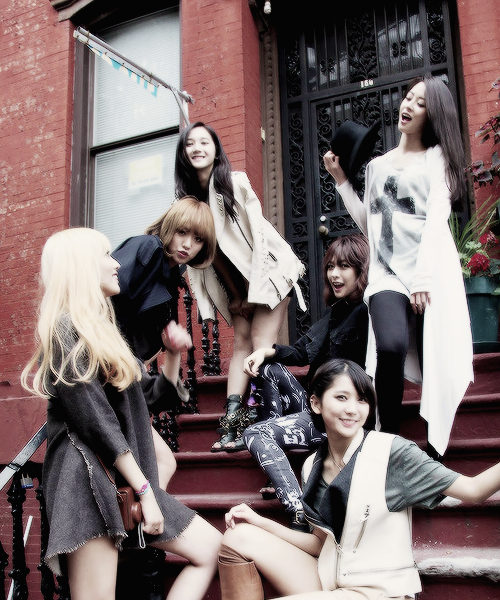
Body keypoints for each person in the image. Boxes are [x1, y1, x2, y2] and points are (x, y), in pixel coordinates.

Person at [21, 228, 222, 600]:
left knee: (211, 549)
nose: (117, 264)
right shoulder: (66, 329)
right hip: (86, 480)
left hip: (119, 478)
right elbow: (97, 422)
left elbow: (152, 399)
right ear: (82, 266)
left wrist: (172, 354)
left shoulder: (104, 331)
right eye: (106, 255)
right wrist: (145, 492)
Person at [218, 358, 500, 600]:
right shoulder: (311, 466)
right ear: (315, 403)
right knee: (238, 536)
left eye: (362, 399)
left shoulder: (391, 452)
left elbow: (473, 489)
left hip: (378, 591)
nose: (353, 409)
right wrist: (261, 522)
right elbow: (320, 544)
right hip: (330, 582)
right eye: (342, 397)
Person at [323, 74, 473, 457]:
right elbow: (370, 225)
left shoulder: (437, 160)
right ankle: (386, 443)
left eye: (421, 103)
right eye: (408, 97)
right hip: (387, 273)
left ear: (433, 116)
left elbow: (437, 217)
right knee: (390, 347)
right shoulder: (376, 166)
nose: (409, 106)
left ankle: (434, 455)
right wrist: (342, 182)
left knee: (435, 358)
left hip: (429, 272)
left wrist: (423, 277)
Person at [175, 122, 306, 452]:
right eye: (190, 143)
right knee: (241, 347)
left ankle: (267, 424)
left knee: (260, 347)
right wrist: (236, 296)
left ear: (216, 150)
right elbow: (212, 255)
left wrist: (254, 290)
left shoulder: (234, 184)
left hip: (270, 273)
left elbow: (256, 239)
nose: (197, 148)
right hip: (242, 286)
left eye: (205, 142)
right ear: (183, 153)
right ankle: (231, 426)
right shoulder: (191, 202)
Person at [241, 234, 369, 528]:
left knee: (255, 434)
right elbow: (301, 352)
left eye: (344, 267)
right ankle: (278, 459)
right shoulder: (336, 312)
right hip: (314, 404)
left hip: (333, 417)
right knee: (269, 369)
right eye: (331, 266)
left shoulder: (366, 312)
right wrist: (264, 352)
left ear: (360, 271)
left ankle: (301, 511)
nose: (334, 274)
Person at [111, 196, 217, 490]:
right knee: (160, 462)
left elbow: (157, 400)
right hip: (107, 372)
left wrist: (173, 352)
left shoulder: (170, 279)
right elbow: (103, 298)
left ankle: (144, 517)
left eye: (198, 239)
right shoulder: (148, 248)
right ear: (169, 226)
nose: (188, 244)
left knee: (164, 462)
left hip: (125, 379)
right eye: (182, 232)